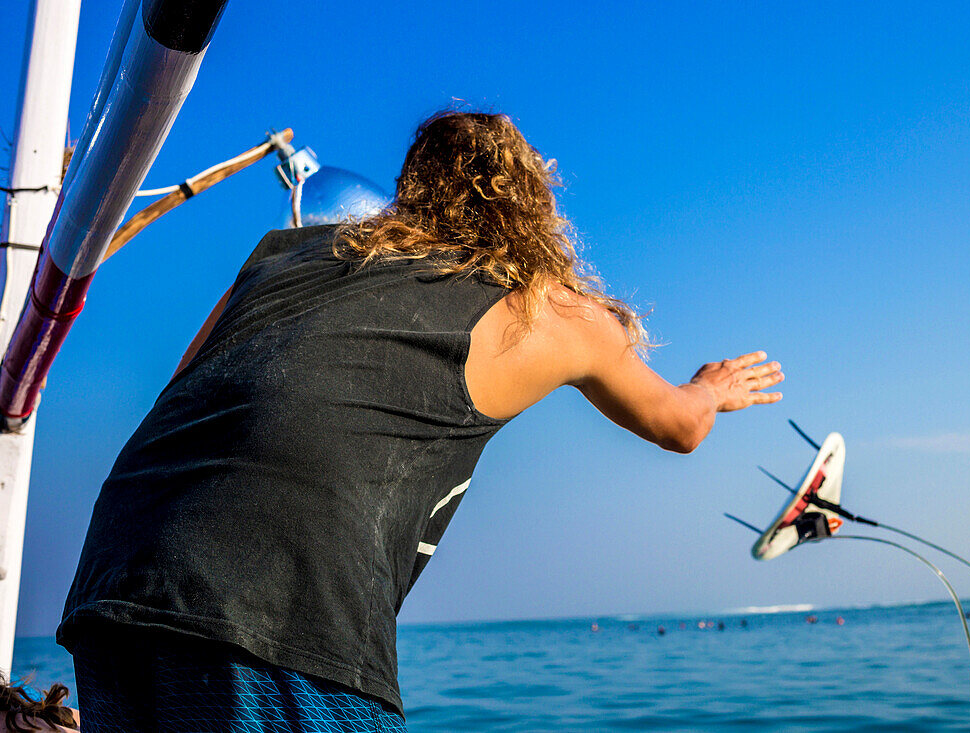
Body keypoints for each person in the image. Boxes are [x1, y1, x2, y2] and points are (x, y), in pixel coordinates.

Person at [57, 111, 784, 731]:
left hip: (117, 576)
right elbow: (678, 425)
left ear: (412, 190)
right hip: (277, 601)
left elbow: (185, 390)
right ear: (533, 205)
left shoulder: (283, 254)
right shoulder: (549, 306)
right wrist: (710, 387)